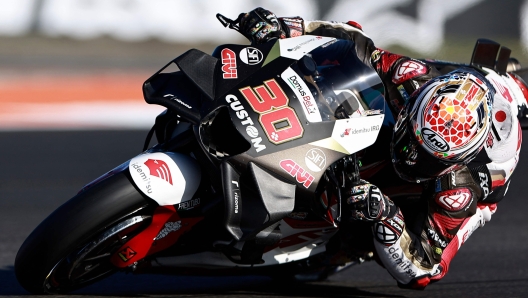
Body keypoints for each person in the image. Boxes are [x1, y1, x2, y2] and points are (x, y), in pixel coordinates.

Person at [232, 8, 527, 289]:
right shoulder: (410, 76)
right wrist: (287, 28)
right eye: (412, 142)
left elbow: (425, 270)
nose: (411, 157)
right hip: (465, 88)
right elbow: (353, 43)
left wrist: (386, 215)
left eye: (426, 159)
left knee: (370, 227)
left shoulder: (459, 190)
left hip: (483, 161)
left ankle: (342, 250)